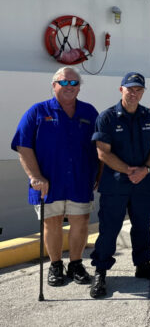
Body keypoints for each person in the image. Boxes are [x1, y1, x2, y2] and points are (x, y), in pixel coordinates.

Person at [11, 67, 99, 287]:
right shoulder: (37, 111)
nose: (69, 87)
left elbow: (101, 147)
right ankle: (56, 265)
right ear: (54, 85)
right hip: (48, 182)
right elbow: (23, 145)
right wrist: (35, 176)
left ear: (79, 87)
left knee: (81, 222)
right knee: (53, 223)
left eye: (74, 83)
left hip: (80, 179)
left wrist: (100, 174)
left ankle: (76, 264)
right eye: (64, 82)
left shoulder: (89, 113)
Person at [89, 72, 150, 299]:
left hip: (142, 183)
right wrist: (130, 171)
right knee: (109, 229)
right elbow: (103, 153)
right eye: (129, 88)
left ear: (143, 92)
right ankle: (100, 271)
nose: (134, 93)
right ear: (121, 89)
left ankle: (142, 265)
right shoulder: (107, 117)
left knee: (141, 226)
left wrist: (145, 170)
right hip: (115, 185)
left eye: (138, 89)